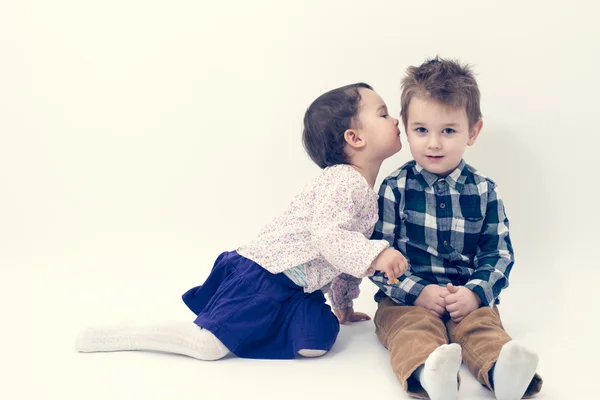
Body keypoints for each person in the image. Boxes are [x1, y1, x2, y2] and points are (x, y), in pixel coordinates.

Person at [75, 82, 408, 361]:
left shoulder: (366, 194)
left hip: (298, 290)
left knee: (315, 343)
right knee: (209, 347)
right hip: (264, 275)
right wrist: (377, 255)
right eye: (383, 113)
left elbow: (342, 259)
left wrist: (344, 305)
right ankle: (127, 334)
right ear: (355, 138)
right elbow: (328, 236)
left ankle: (265, 324)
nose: (395, 120)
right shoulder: (343, 180)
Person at [368, 57, 543, 400]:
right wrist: (417, 291)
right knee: (411, 331)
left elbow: (499, 252)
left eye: (448, 130)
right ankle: (431, 374)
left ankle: (503, 373)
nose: (434, 143)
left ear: (473, 132)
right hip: (406, 300)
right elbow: (376, 254)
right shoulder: (395, 187)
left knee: (483, 327)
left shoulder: (484, 190)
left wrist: (476, 293)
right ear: (405, 127)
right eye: (422, 130)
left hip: (465, 296)